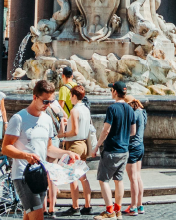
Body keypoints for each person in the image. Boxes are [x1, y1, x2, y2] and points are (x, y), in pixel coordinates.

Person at [3, 79, 67, 220]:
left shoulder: (47, 119)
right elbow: (6, 147)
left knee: (29, 216)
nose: (48, 105)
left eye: (51, 101)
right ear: (34, 97)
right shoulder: (19, 118)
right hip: (23, 175)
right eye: (45, 101)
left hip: (40, 174)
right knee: (38, 216)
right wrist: (26, 156)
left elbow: (49, 148)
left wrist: (67, 153)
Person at [91, 81, 136, 218]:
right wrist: (122, 134)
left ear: (115, 92)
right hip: (124, 150)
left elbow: (105, 131)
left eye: (112, 90)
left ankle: (109, 211)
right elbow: (133, 131)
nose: (111, 92)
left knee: (103, 180)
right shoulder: (130, 109)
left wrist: (97, 146)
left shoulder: (112, 108)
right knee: (119, 180)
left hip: (111, 150)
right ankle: (118, 211)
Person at [62, 84, 94, 215]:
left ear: (74, 96)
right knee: (82, 176)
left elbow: (74, 131)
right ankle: (88, 205)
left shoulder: (75, 110)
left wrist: (61, 134)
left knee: (72, 176)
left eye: (71, 95)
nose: (70, 98)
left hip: (74, 145)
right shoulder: (86, 109)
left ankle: (75, 207)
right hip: (84, 144)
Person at [124, 96, 146, 216]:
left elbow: (131, 131)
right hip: (140, 145)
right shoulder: (142, 112)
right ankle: (139, 204)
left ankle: (133, 207)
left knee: (133, 178)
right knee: (137, 176)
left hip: (132, 147)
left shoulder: (133, 114)